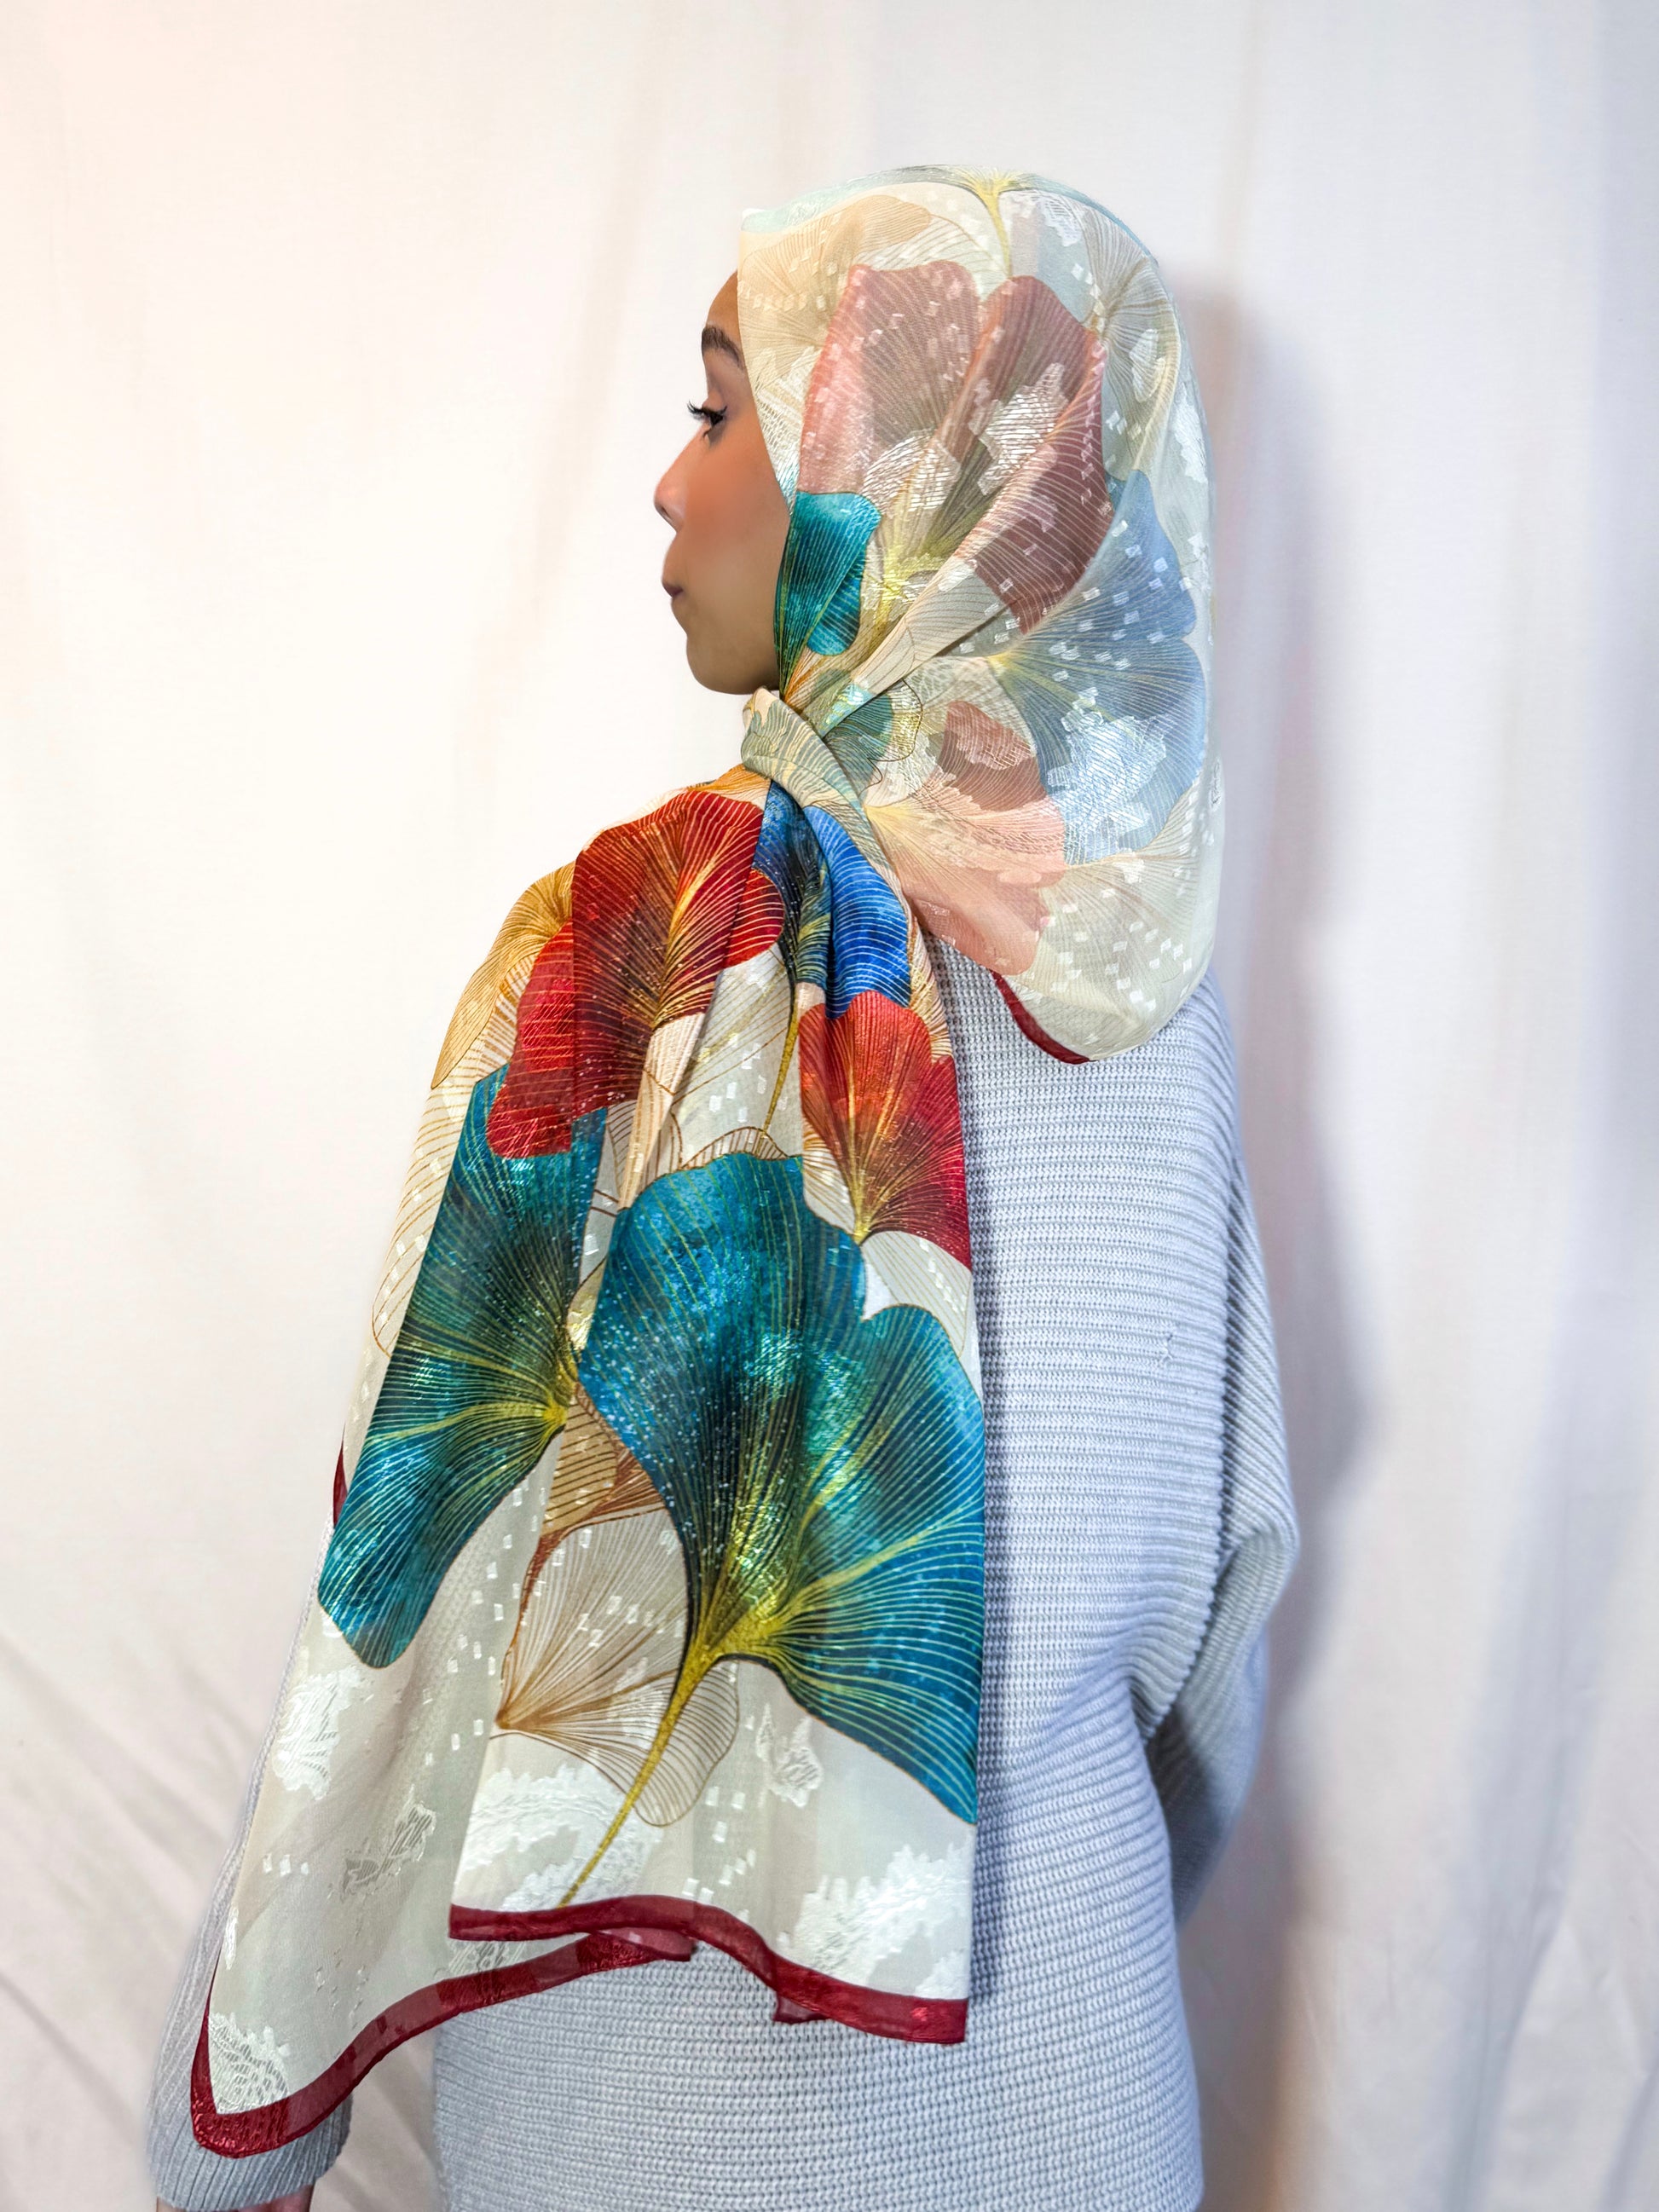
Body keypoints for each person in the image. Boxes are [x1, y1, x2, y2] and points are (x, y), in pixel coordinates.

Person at [150, 165, 1297, 2212]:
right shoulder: (1141, 1006)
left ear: (895, 480)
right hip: (1072, 2105)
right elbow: (1214, 1633)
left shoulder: (621, 949)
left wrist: (225, 2120)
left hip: (628, 2130)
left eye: (716, 410)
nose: (671, 488)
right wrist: (1047, 1897)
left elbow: (408, 1572)